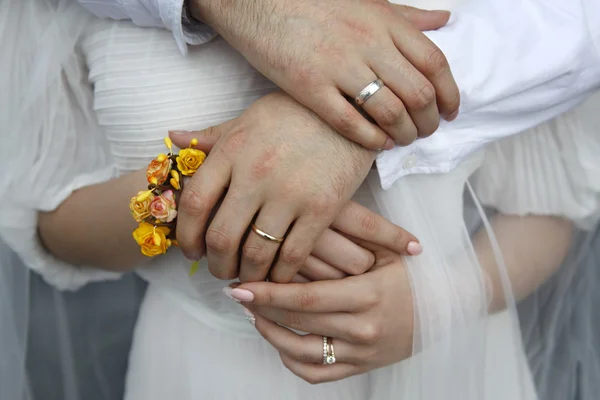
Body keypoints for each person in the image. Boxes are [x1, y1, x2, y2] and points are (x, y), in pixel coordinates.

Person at [1, 1, 600, 400]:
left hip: (450, 362)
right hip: (210, 372)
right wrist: (194, 192)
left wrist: (440, 303)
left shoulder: (528, 16)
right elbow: (51, 221)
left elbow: (546, 206)